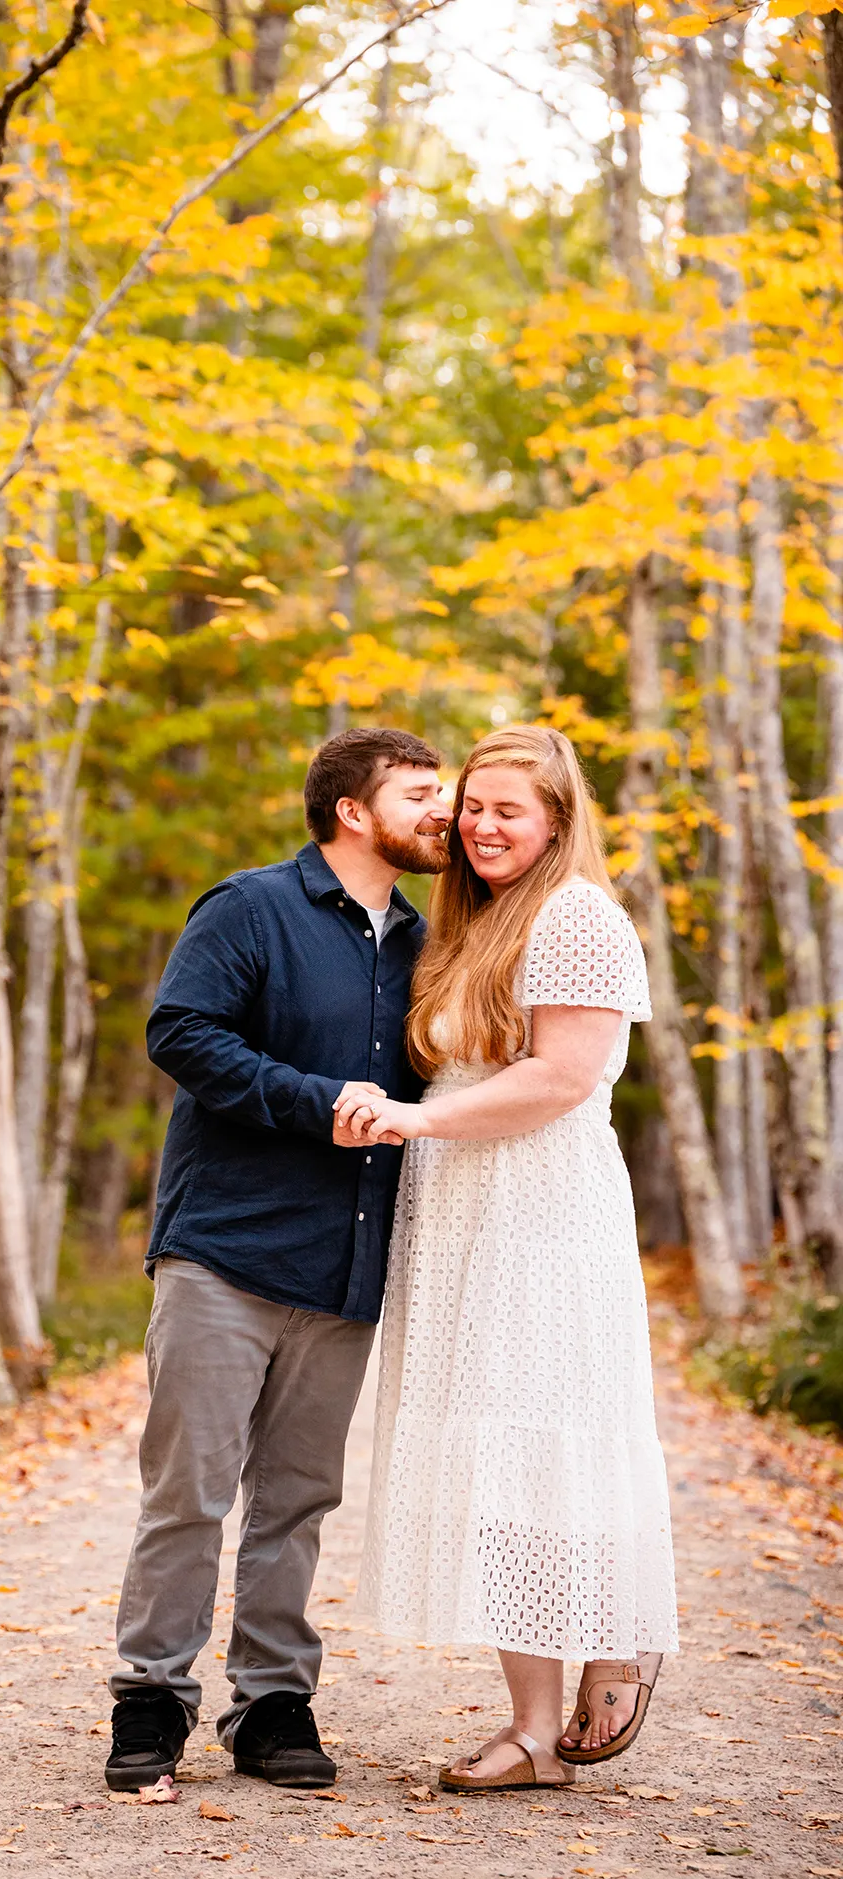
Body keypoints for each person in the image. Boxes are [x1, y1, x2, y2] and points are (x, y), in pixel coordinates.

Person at [105, 727, 453, 1792]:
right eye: (420, 793)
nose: (443, 811)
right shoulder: (249, 906)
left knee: (297, 1499)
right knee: (188, 1492)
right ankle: (150, 1702)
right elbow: (181, 1032)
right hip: (224, 1248)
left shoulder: (426, 944)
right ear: (353, 809)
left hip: (346, 1261)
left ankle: (272, 1706)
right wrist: (318, 1106)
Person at [336, 725, 677, 1793]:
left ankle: (613, 1640)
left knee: (546, 1441)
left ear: (556, 822)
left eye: (505, 811)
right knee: (492, 1462)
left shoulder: (575, 915)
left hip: (539, 1212)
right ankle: (533, 1727)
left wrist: (406, 1123)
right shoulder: (468, 923)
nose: (479, 827)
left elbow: (558, 1080)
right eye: (469, 807)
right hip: (458, 1214)